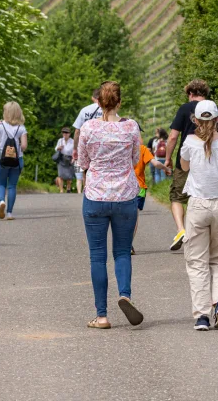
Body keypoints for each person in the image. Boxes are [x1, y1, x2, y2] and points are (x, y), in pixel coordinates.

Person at [78, 81, 144, 329]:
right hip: (125, 197)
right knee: (122, 251)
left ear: (99, 102)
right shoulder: (130, 128)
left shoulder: (88, 128)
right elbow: (136, 158)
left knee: (97, 256)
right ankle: (125, 295)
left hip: (95, 196)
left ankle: (102, 315)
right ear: (119, 102)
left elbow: (83, 161)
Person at [179, 100, 218, 331]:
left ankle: (202, 315)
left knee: (197, 261)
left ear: (195, 120)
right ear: (217, 119)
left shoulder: (190, 142)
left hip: (199, 206)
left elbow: (184, 167)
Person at [164, 79, 218, 251]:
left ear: (190, 94)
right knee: (206, 196)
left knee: (177, 198)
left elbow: (172, 137)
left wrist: (168, 158)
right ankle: (210, 234)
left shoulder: (185, 109)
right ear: (206, 94)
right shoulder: (217, 110)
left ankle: (181, 230)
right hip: (211, 162)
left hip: (186, 160)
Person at [0, 102, 28, 221]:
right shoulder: (21, 127)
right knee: (12, 186)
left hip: (1, 160)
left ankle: (1, 201)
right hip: (16, 160)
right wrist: (18, 145)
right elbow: (24, 146)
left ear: (6, 112)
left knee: (0, 184)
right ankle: (9, 213)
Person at [131, 133, 172, 254]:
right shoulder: (142, 149)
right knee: (134, 217)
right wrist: (166, 169)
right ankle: (128, 245)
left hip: (122, 187)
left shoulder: (122, 148)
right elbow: (155, 163)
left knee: (122, 217)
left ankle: (121, 244)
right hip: (138, 187)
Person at [71, 88, 104, 195]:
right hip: (103, 146)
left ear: (92, 98)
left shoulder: (85, 110)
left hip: (86, 145)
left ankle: (89, 192)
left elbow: (77, 131)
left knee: (86, 170)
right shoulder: (108, 110)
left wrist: (75, 148)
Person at [54, 127, 75, 193]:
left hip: (69, 159)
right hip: (61, 158)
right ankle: (61, 190)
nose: (65, 134)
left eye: (66, 132)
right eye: (63, 132)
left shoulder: (73, 141)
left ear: (69, 134)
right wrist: (58, 148)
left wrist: (74, 158)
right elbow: (55, 148)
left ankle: (68, 188)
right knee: (61, 175)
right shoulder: (60, 140)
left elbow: (75, 150)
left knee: (69, 175)